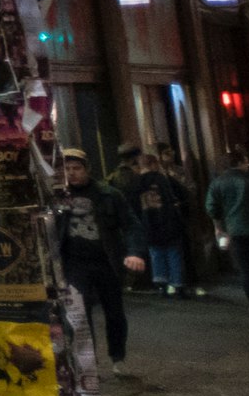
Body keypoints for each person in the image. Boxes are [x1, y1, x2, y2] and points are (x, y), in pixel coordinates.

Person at [50, 148, 141, 364]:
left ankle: (117, 355)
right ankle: (86, 360)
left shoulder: (108, 194)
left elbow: (131, 225)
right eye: (67, 169)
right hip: (74, 262)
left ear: (87, 169)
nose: (72, 173)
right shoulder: (57, 198)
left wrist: (135, 253)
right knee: (79, 313)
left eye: (77, 168)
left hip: (106, 261)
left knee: (114, 312)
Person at [206, 153, 249, 309]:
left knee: (245, 267)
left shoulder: (217, 183)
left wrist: (218, 227)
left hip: (233, 229)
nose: (248, 166)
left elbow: (211, 207)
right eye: (246, 163)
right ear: (239, 163)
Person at [130, 153, 189, 300]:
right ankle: (178, 286)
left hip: (148, 224)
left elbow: (131, 206)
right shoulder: (163, 179)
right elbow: (181, 194)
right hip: (168, 222)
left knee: (156, 254)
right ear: (153, 164)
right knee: (173, 254)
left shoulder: (135, 183)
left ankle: (161, 285)